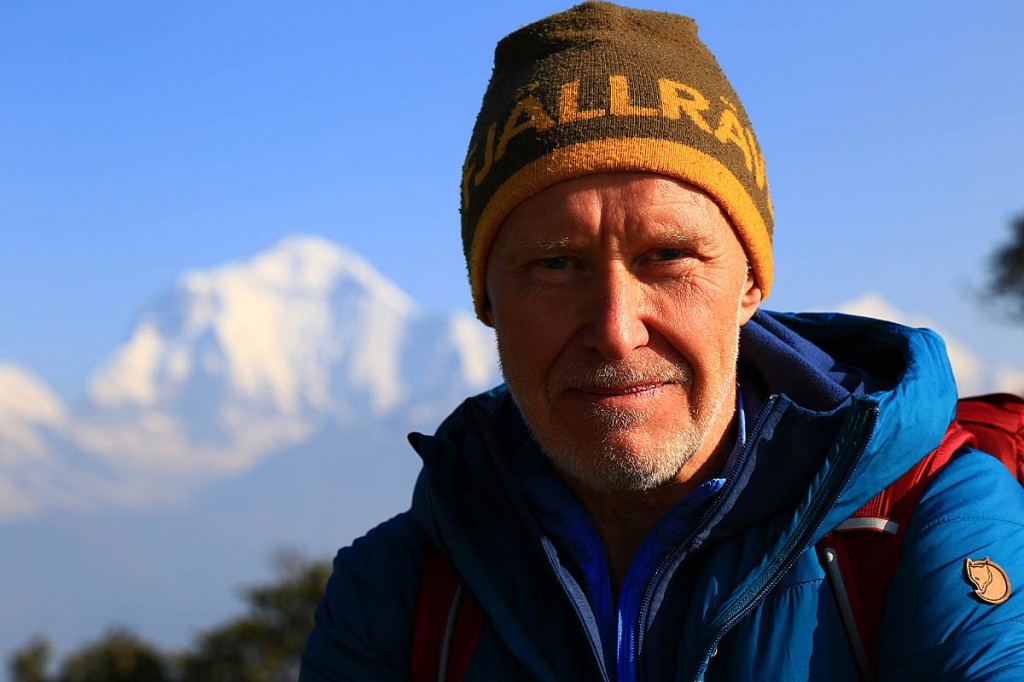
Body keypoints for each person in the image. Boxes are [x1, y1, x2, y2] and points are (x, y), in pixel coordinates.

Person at [300, 2, 1024, 679]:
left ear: (750, 282)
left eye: (669, 257)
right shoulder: (399, 591)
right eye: (556, 265)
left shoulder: (929, 521)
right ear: (487, 300)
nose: (616, 332)